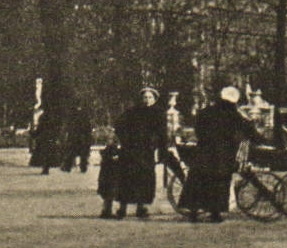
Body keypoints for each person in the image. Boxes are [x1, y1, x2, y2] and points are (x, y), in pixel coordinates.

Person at [181, 86, 263, 223]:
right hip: (222, 153)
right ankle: (215, 213)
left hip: (204, 152)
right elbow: (247, 129)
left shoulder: (205, 112)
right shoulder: (233, 113)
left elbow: (198, 130)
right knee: (219, 182)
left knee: (198, 180)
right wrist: (260, 140)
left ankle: (193, 212)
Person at [111, 87, 168, 219]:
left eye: (150, 98)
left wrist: (160, 150)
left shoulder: (159, 113)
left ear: (154, 99)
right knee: (127, 179)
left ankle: (141, 207)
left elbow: (162, 134)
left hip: (146, 151)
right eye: (145, 97)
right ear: (141, 99)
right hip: (131, 150)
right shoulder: (133, 111)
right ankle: (122, 208)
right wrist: (125, 140)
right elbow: (119, 125)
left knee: (144, 179)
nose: (147, 100)